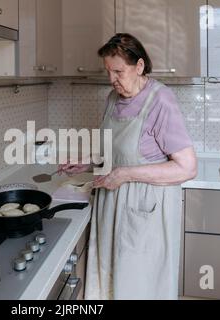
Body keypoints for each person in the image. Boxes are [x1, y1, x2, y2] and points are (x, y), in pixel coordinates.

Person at [58, 33, 197, 300]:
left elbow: (187, 168)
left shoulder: (161, 100)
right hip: (111, 205)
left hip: (144, 212)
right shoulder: (113, 98)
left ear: (140, 66)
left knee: (137, 285)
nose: (112, 80)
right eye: (108, 71)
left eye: (119, 71)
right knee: (111, 281)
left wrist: (126, 174)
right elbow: (117, 152)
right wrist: (87, 161)